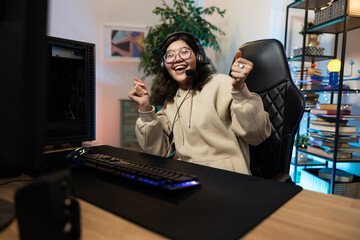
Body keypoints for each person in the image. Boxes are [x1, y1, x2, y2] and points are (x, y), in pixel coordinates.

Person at [128, 32, 271, 175]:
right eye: (170, 55)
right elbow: (157, 151)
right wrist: (145, 108)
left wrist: (240, 90)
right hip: (184, 176)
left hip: (225, 177)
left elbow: (256, 135)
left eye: (184, 52)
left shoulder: (222, 84)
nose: (177, 59)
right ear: (164, 65)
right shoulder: (170, 101)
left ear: (198, 57)